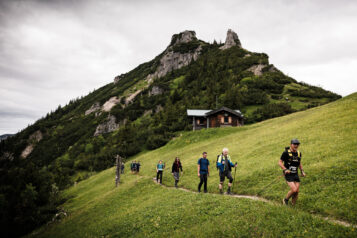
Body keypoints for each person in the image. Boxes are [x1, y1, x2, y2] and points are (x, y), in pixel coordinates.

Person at [279, 139, 306, 206]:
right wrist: (285, 169)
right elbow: (280, 162)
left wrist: (302, 171)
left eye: (297, 144)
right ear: (291, 144)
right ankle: (285, 200)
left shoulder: (299, 153)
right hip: (288, 174)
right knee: (294, 190)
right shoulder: (286, 153)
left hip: (295, 173)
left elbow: (299, 163)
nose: (296, 145)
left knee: (297, 191)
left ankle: (293, 205)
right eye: (294, 144)